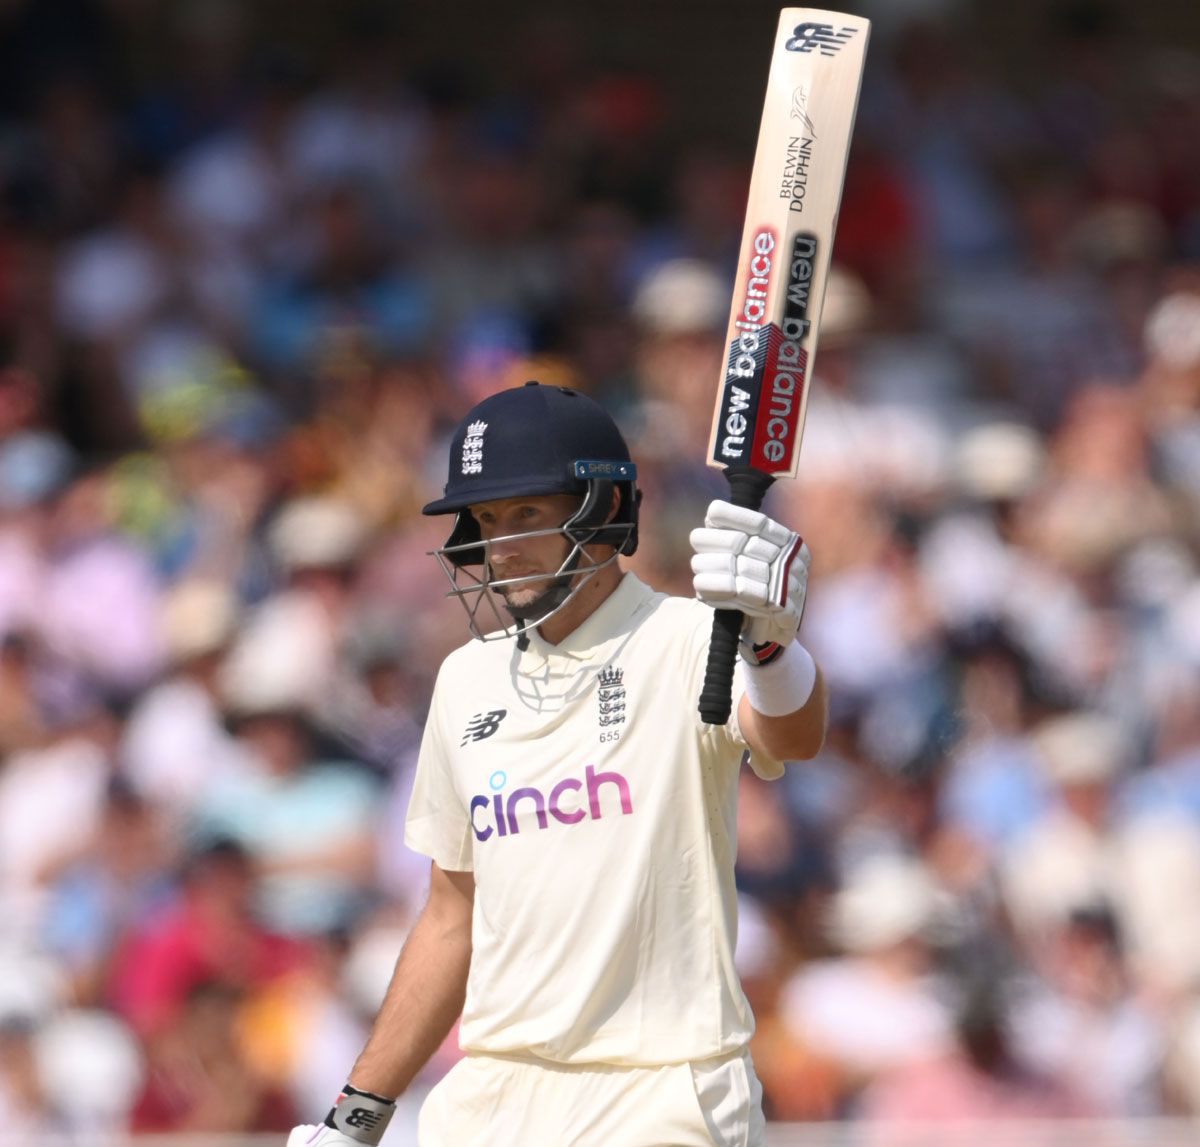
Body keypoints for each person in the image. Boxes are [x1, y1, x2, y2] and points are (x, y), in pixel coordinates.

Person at [286, 380, 827, 1146]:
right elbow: (450, 916)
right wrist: (357, 1115)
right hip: (492, 1096)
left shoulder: (686, 636)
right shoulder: (463, 679)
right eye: (487, 519)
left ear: (605, 510)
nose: (501, 546)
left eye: (527, 514)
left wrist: (771, 644)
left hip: (664, 1088)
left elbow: (792, 736)